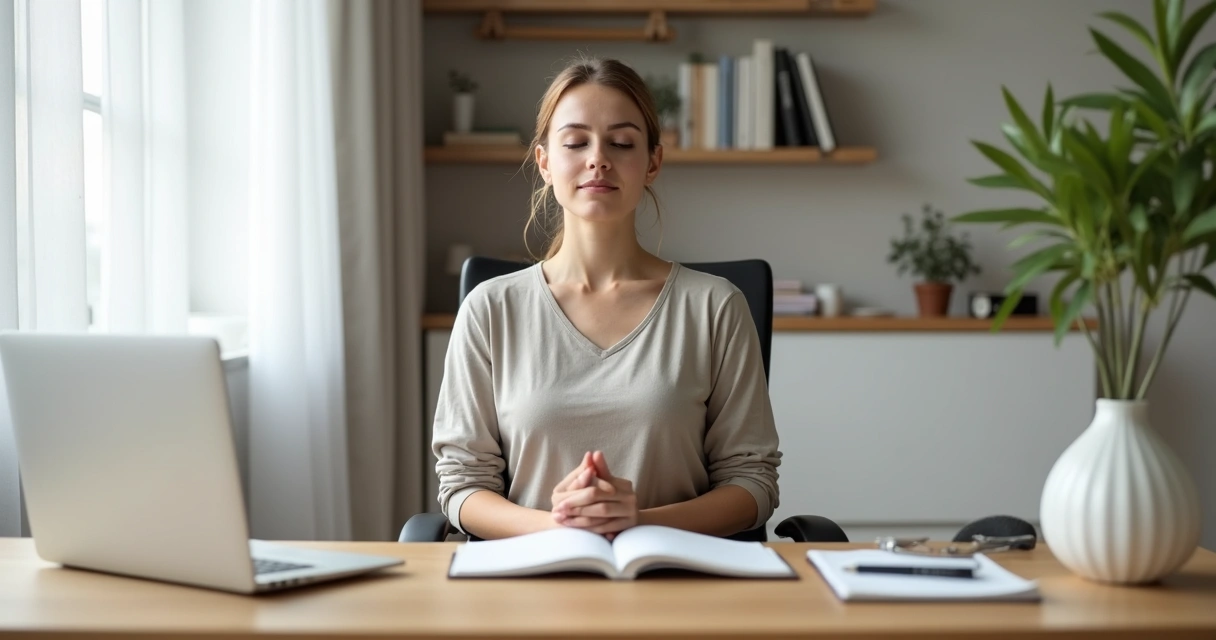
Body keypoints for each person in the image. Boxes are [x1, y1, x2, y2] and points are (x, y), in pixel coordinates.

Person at [432, 57, 780, 541]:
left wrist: (637, 522)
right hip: (529, 585)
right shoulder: (490, 310)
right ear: (545, 162)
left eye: (621, 142)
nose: (599, 158)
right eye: (575, 142)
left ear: (652, 162)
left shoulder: (716, 307)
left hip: (677, 581)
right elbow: (462, 486)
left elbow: (752, 483)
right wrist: (560, 527)